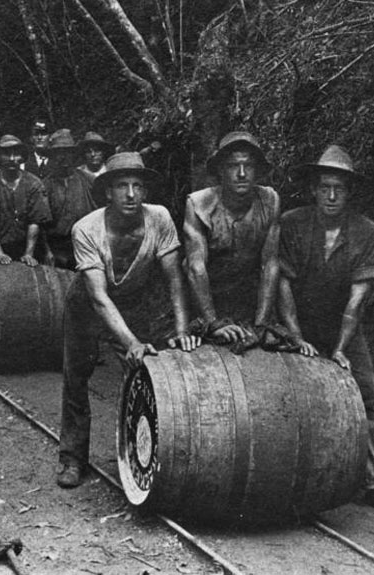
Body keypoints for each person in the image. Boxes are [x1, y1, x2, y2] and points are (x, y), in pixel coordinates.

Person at [277, 144, 374, 514]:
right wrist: (295, 336)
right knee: (283, 396)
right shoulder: (292, 223)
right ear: (314, 190)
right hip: (293, 323)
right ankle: (288, 477)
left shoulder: (368, 233)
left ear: (349, 193)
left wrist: (339, 348)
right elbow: (281, 284)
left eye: (339, 189)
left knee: (367, 393)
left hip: (342, 326)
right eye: (325, 188)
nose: (331, 196)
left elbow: (357, 301)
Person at [57, 152, 201, 488]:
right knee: (76, 378)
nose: (131, 194)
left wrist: (180, 330)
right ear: (108, 191)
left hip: (137, 302)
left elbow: (174, 280)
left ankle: (147, 456)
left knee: (150, 375)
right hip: (87, 307)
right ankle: (72, 458)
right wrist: (131, 342)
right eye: (122, 186)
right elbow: (98, 297)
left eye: (138, 186)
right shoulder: (86, 229)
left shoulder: (160, 218)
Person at [183, 132, 280, 348]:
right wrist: (212, 323)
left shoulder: (269, 200)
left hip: (248, 301)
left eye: (249, 166)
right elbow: (195, 267)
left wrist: (261, 324)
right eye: (233, 166)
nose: (242, 173)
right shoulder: (199, 205)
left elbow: (270, 263)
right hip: (205, 301)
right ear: (220, 170)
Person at [0, 134, 51, 267]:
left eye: (16, 154)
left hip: (28, 246)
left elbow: (35, 221)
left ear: (23, 157)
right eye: (6, 154)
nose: (12, 159)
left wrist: (29, 253)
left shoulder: (34, 184)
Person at [43, 129, 103, 269]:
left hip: (87, 246)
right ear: (52, 157)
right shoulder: (44, 185)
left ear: (74, 155)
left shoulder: (89, 181)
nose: (63, 157)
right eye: (59, 153)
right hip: (57, 249)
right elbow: (40, 224)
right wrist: (47, 251)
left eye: (68, 152)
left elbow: (102, 216)